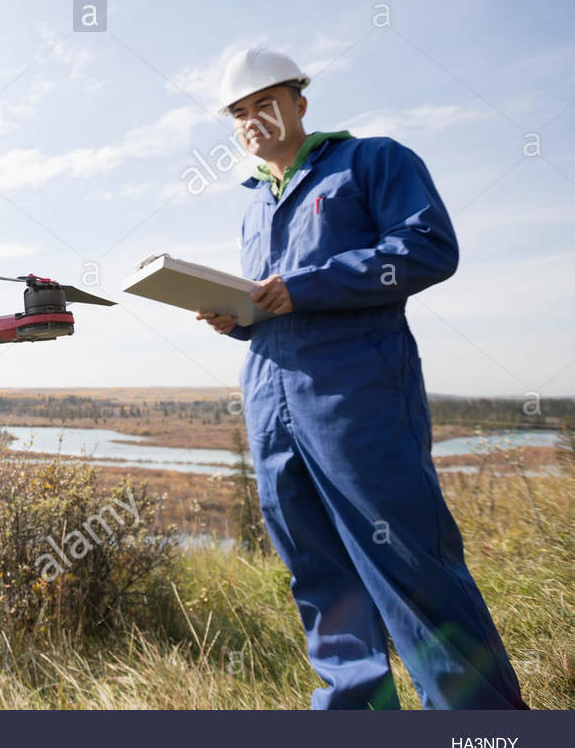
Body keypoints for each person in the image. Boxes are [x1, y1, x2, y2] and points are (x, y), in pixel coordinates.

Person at [197, 47, 527, 710]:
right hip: (270, 394)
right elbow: (273, 302)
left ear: (300, 104)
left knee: (410, 564)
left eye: (265, 103)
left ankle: (485, 734)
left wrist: (309, 286)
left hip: (357, 393)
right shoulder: (254, 204)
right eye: (239, 113)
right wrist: (235, 315)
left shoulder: (372, 161)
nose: (253, 120)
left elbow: (429, 248)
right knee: (317, 571)